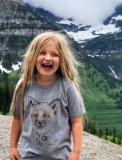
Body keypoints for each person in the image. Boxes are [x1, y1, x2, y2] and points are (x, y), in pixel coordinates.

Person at [10, 31, 86, 160]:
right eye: (42, 53)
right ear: (33, 56)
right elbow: (17, 118)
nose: (48, 58)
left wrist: (76, 153)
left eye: (55, 54)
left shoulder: (67, 87)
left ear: (62, 59)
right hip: (29, 155)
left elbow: (76, 121)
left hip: (60, 156)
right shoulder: (23, 86)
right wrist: (13, 147)